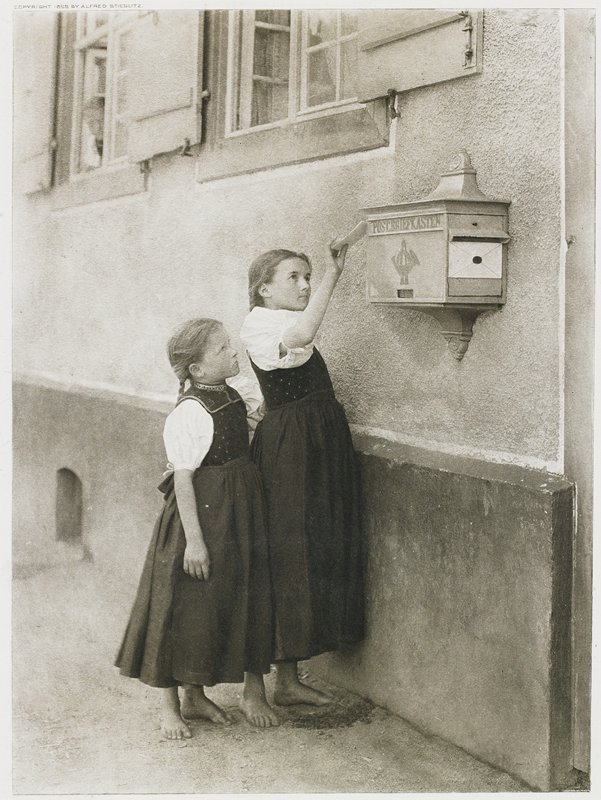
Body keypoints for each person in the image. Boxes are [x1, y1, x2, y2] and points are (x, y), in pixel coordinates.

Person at [116, 319, 278, 738]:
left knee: (232, 596)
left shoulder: (230, 394)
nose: (233, 352)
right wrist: (195, 544)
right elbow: (184, 478)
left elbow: (236, 434)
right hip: (200, 519)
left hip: (238, 511)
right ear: (198, 370)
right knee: (181, 607)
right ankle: (170, 705)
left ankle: (197, 695)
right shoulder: (189, 411)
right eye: (223, 349)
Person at [240, 244, 364, 707]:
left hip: (318, 442)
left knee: (315, 550)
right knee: (288, 554)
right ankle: (270, 680)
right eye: (294, 277)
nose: (304, 285)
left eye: (308, 276)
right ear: (263, 289)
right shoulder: (259, 325)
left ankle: (289, 681)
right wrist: (334, 273)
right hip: (292, 447)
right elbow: (304, 330)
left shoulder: (278, 323)